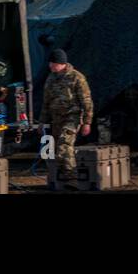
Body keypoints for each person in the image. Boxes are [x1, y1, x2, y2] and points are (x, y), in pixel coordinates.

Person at [43, 49, 93, 187]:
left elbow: (87, 102)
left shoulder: (77, 78)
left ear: (62, 63)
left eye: (54, 63)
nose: (51, 66)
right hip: (56, 118)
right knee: (52, 149)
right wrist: (43, 122)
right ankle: (58, 179)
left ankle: (72, 178)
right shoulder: (51, 78)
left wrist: (87, 122)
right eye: (50, 63)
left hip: (72, 117)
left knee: (64, 144)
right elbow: (46, 102)